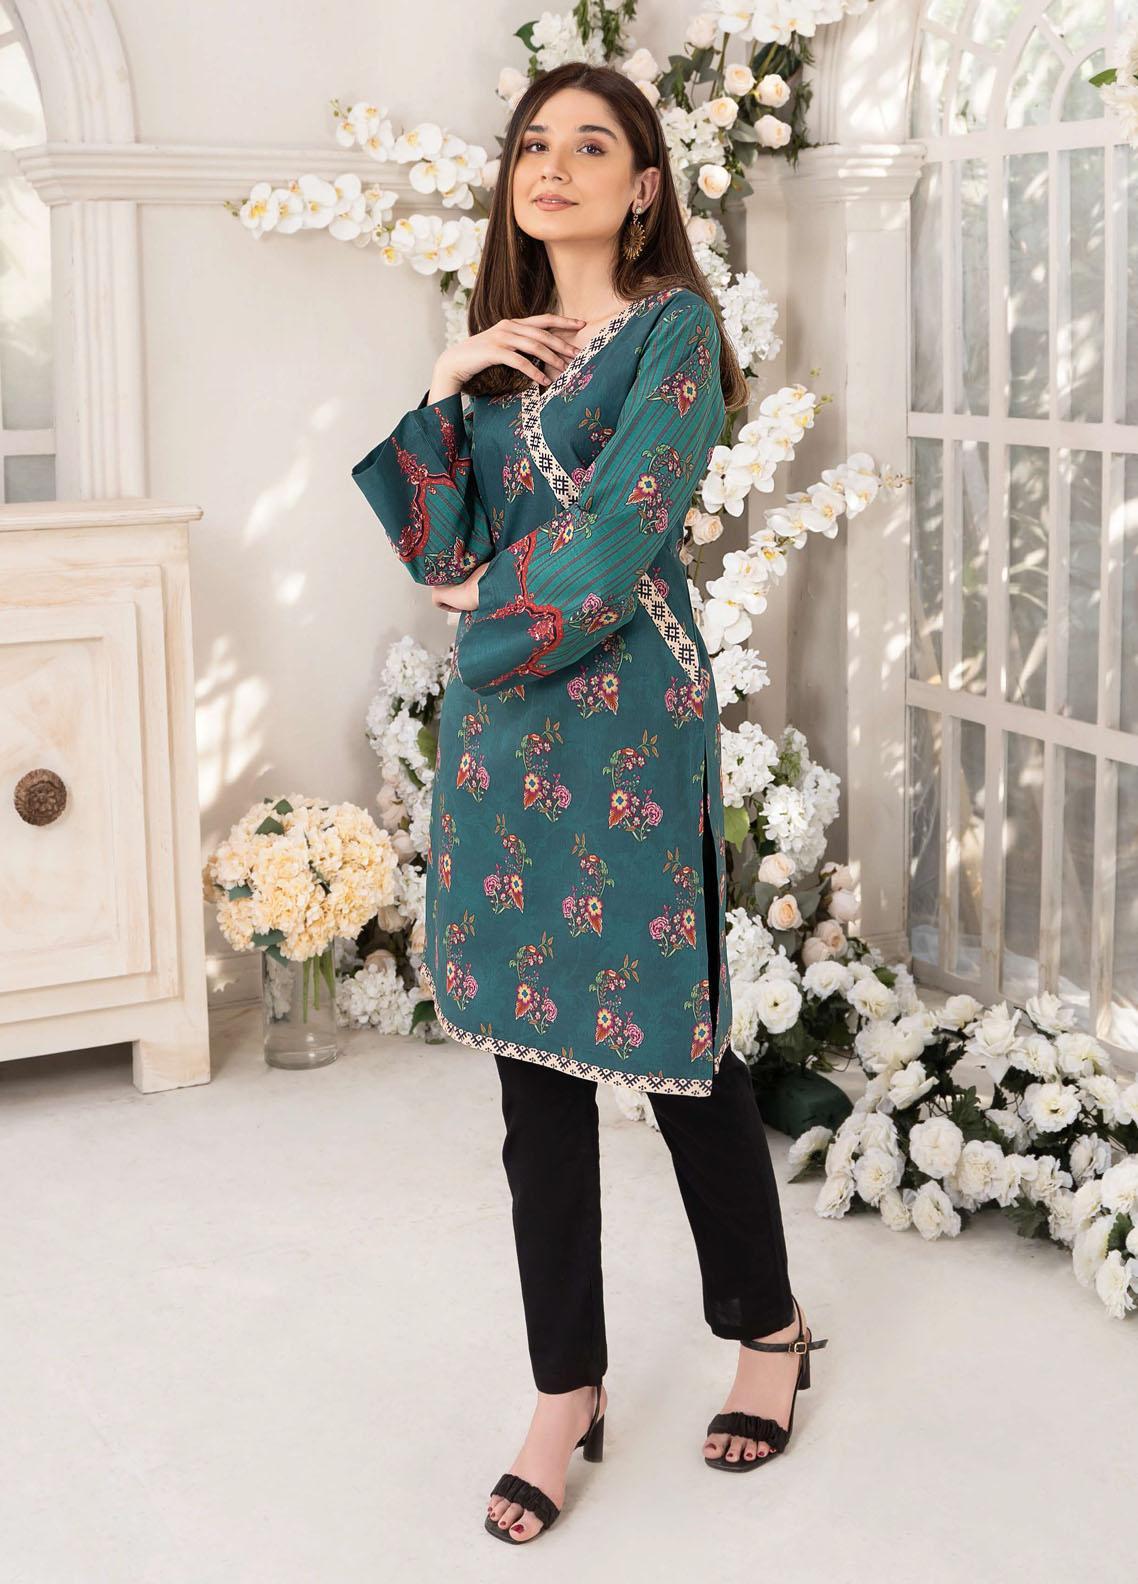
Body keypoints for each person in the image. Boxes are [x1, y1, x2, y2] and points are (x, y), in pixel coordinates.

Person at [351, 60, 827, 1546]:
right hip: (506, 737)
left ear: (644, 187)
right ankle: (567, 1391)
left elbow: (624, 531)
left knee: (673, 1042)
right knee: (531, 1071)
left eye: (591, 145)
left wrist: (480, 606)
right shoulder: (500, 356)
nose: (551, 166)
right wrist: (447, 387)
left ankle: (769, 1329)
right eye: (532, 145)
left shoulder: (675, 330)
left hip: (626, 718)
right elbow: (438, 548)